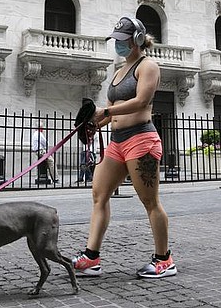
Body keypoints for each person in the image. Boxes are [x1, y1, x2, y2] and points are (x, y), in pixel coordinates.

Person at [72, 16, 175, 279]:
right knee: (99, 195)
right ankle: (91, 258)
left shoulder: (148, 66)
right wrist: (95, 124)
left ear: (137, 40)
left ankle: (164, 259)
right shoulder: (118, 72)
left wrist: (103, 110)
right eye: (115, 41)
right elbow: (110, 114)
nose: (117, 45)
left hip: (142, 140)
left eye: (122, 40)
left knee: (150, 201)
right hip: (117, 143)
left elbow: (141, 102)